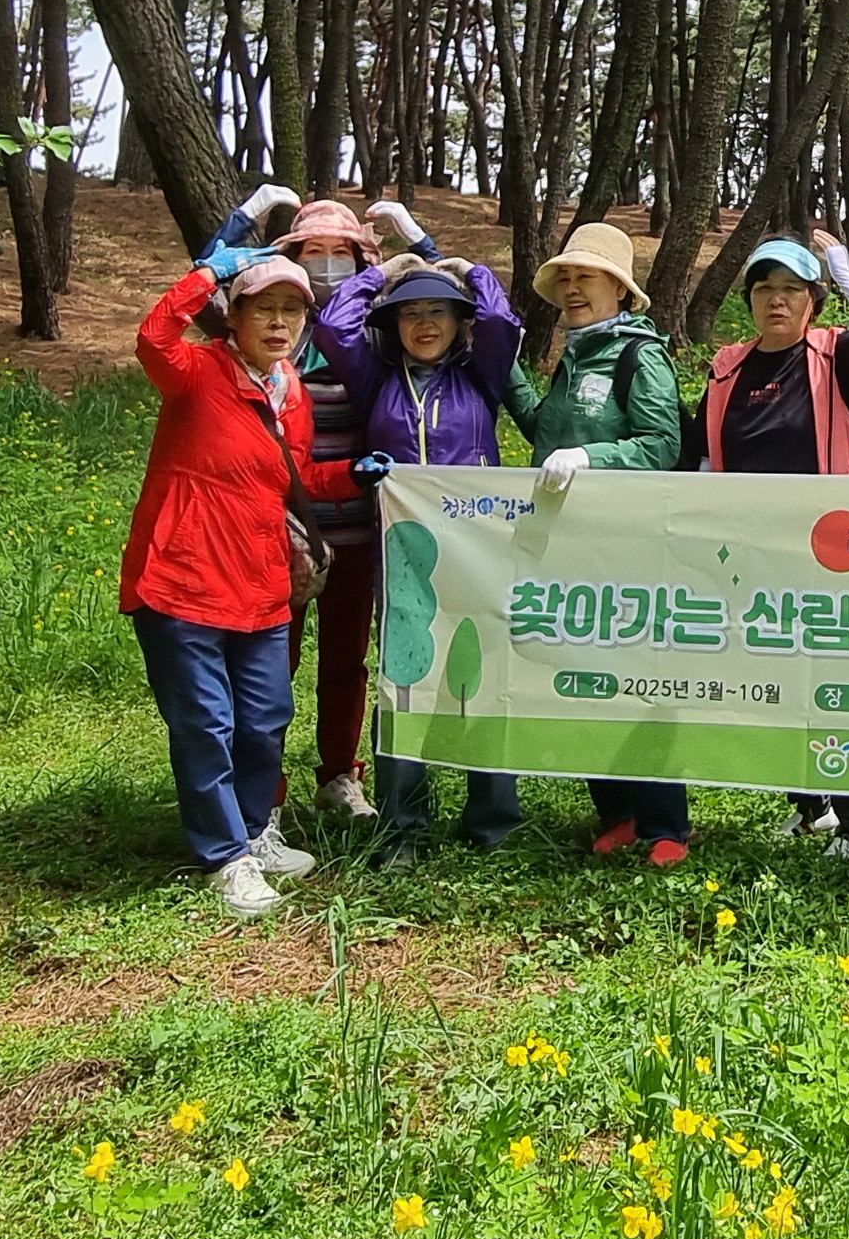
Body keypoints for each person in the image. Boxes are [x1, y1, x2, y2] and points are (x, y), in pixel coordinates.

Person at [123, 248, 337, 917]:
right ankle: (225, 857)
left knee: (267, 717)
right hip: (183, 577)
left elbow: (286, 482)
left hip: (260, 582)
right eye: (265, 308)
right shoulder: (195, 371)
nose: (280, 323)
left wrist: (361, 474)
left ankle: (253, 832)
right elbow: (154, 334)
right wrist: (208, 272)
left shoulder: (293, 394)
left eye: (292, 310)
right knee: (205, 722)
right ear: (235, 316)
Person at [318, 231, 532, 861]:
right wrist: (383, 274)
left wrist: (467, 269)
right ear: (395, 325)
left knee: (484, 675)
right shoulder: (375, 380)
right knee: (405, 679)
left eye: (437, 311)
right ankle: (403, 825)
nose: (424, 324)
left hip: (481, 547)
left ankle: (494, 821)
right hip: (405, 551)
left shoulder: (480, 376)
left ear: (457, 322)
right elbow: (332, 324)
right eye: (410, 313)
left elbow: (500, 319)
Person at [688, 227, 849, 853]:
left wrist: (843, 269)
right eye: (764, 289)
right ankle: (813, 808)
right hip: (755, 555)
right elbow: (702, 456)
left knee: (843, 686)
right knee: (779, 682)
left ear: (812, 300)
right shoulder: (727, 367)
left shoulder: (836, 356)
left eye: (791, 290)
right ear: (749, 300)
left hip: (835, 555)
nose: (776, 301)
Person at [203, 186, 390, 828]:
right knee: (268, 669)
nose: (329, 262)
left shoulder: (378, 326)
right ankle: (266, 791)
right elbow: (203, 288)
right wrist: (246, 216)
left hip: (358, 523)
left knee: (346, 660)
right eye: (315, 250)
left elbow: (454, 314)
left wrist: (415, 239)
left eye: (343, 252)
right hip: (273, 528)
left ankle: (341, 775)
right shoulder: (265, 324)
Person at [519, 218, 692, 865]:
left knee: (641, 677)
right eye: (564, 277)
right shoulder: (575, 355)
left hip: (630, 547)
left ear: (619, 289)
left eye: (583, 277)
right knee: (583, 675)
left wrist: (591, 458)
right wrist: (499, 366)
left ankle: (667, 822)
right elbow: (542, 429)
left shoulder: (637, 355)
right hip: (570, 546)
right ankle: (616, 808)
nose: (571, 288)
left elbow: (661, 444)